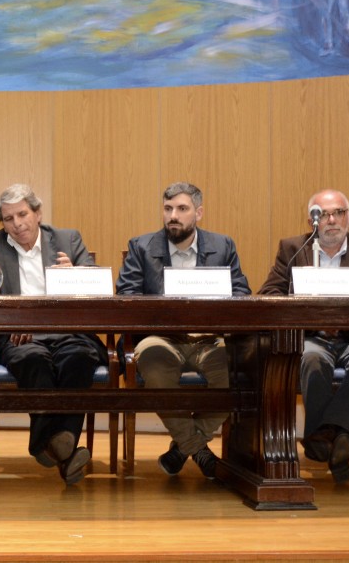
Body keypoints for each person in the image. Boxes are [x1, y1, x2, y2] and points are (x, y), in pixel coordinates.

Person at [258, 189, 349, 482]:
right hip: (314, 336)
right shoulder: (294, 249)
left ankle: (324, 435)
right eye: (323, 214)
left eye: (338, 213)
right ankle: (343, 438)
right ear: (312, 220)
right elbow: (268, 293)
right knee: (310, 358)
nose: (331, 220)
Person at [115, 181, 251, 479]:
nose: (172, 216)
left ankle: (183, 448)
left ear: (198, 213)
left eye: (181, 209)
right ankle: (200, 450)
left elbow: (241, 292)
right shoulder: (141, 247)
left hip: (210, 338)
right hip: (161, 337)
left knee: (240, 372)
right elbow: (127, 296)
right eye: (167, 209)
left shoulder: (223, 245)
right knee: (152, 363)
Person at [0, 184, 104, 485]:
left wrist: (75, 274)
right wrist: (14, 324)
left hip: (67, 332)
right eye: (8, 218)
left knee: (80, 358)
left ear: (37, 213)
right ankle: (66, 451)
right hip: (19, 335)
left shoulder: (67, 239)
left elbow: (97, 290)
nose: (17, 223)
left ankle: (44, 444)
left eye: (23, 214)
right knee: (33, 359)